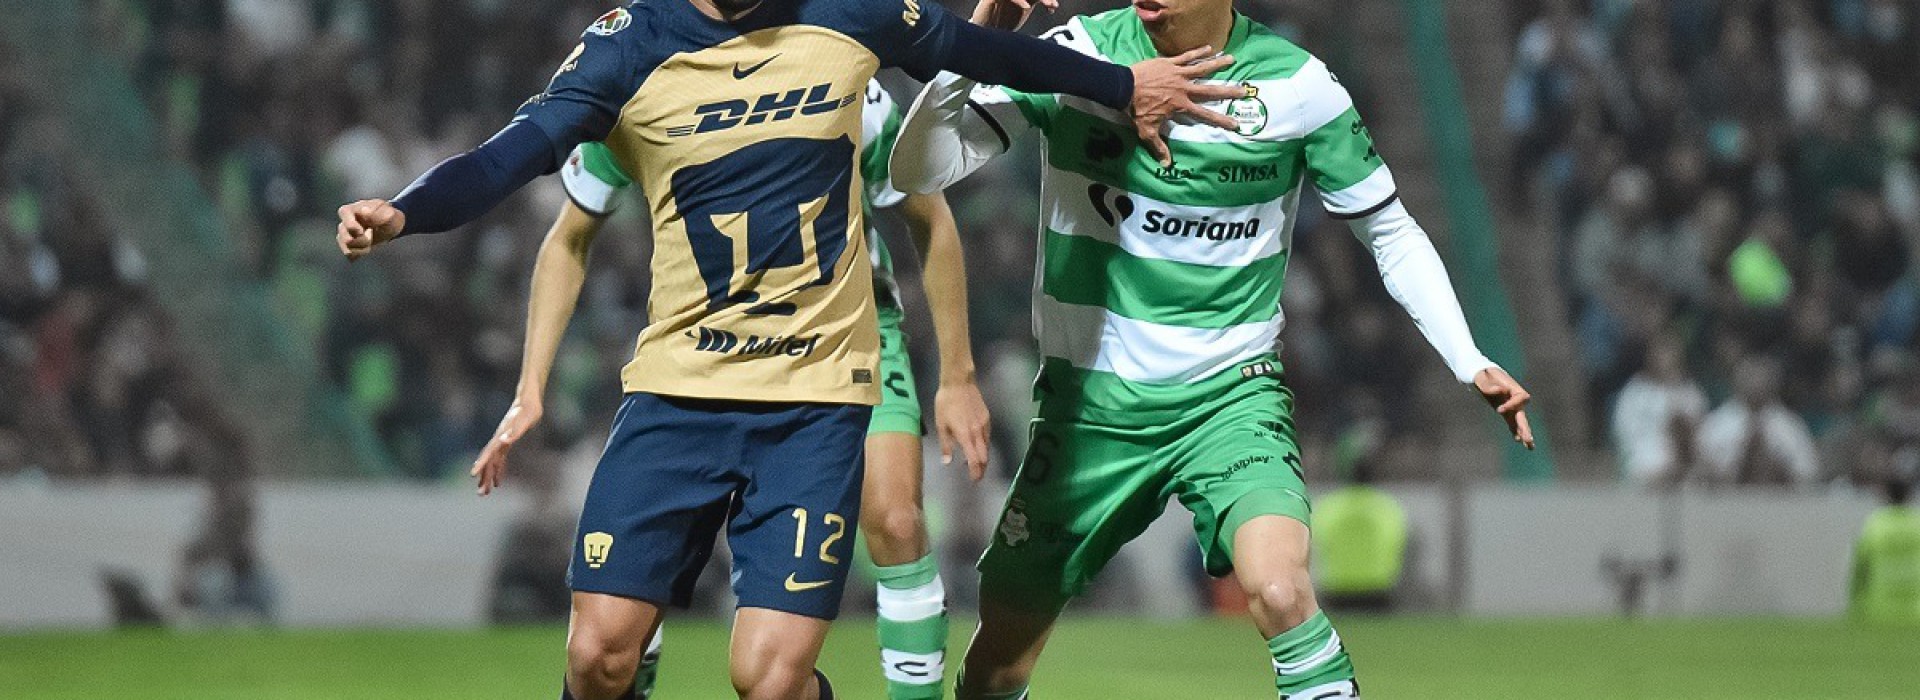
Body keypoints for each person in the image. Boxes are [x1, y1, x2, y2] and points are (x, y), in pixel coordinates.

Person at [333, 1, 1243, 698]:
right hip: (679, 393)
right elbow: (509, 155)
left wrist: (1122, 85)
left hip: (814, 402)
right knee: (598, 657)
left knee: (768, 681)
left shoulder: (848, 12)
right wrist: (404, 212)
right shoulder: (627, 44)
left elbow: (981, 53)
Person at [890, 0, 1535, 696]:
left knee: (1281, 591)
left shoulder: (1297, 86)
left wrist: (1468, 357)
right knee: (1000, 658)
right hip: (1089, 413)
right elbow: (917, 171)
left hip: (1229, 400)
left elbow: (1389, 230)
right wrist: (976, 47)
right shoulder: (1080, 54)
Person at [505, 76, 992, 699]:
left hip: (845, 342)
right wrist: (530, 384)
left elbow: (930, 214)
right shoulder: (645, 76)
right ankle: (635, 645)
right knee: (614, 626)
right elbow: (570, 230)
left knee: (896, 521)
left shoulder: (846, 80)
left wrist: (958, 375)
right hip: (705, 354)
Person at [1695, 355, 1818, 487]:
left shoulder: (1790, 425)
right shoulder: (1716, 422)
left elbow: (1808, 471)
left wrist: (1777, 466)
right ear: (1736, 381)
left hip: (1778, 496)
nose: (1756, 383)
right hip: (1726, 495)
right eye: (1750, 377)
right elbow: (1702, 466)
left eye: (1761, 378)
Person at [1311, 462, 1408, 613]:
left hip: (1338, 589)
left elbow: (1317, 539)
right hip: (1377, 589)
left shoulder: (1328, 507)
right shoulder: (1387, 507)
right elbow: (1398, 541)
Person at [1611, 337, 1707, 486]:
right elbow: (1623, 432)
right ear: (1651, 357)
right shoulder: (1635, 391)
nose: (1666, 359)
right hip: (1643, 455)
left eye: (1671, 353)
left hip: (1684, 457)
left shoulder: (1690, 392)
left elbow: (1700, 432)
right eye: (1661, 353)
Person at [1849, 478, 1920, 624]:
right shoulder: (1917, 523)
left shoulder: (1876, 523)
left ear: (1886, 495)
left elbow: (1860, 568)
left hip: (1880, 608)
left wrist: (1855, 603)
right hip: (1915, 609)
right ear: (1909, 495)